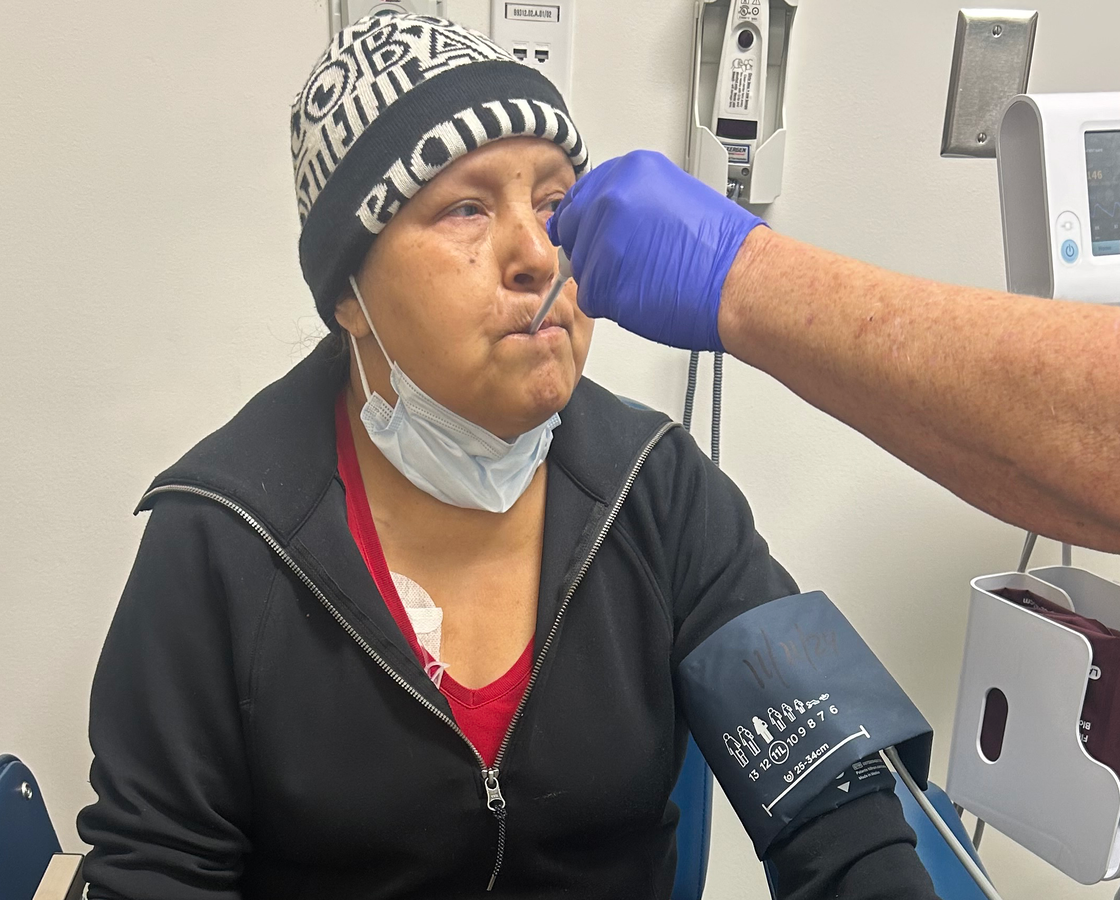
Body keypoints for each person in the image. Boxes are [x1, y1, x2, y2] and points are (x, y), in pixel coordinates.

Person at [78, 13, 939, 900]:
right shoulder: (223, 535)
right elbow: (156, 869)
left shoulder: (660, 488)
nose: (538, 253)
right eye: (466, 208)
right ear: (348, 293)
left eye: (557, 204)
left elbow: (837, 805)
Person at [549, 152, 1120, 563]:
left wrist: (745, 274)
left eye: (552, 209)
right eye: (488, 212)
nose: (536, 256)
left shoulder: (656, 476)